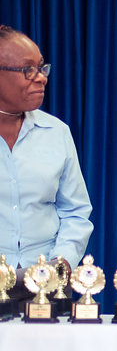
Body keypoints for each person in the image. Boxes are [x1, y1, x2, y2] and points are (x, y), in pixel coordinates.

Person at [0, 25, 93, 300]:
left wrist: (60, 264)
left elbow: (75, 212)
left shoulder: (57, 133)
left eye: (41, 68)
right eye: (28, 70)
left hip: (47, 287)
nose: (41, 78)